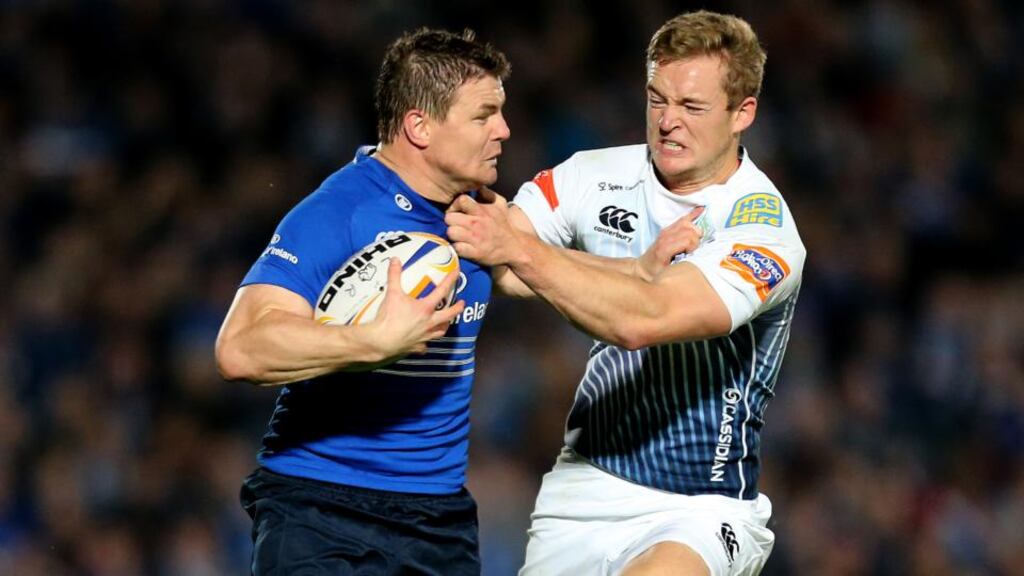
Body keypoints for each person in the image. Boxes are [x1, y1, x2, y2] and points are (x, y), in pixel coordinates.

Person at [446, 10, 806, 576]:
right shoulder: (592, 175)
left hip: (700, 504)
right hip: (582, 486)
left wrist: (525, 252)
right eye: (657, 99)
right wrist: (632, 269)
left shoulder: (761, 227)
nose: (668, 122)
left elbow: (647, 318)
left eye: (692, 107)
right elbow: (507, 268)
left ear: (744, 113)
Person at [214, 28, 511, 575]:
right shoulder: (339, 212)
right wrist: (371, 340)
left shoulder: (483, 216)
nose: (503, 130)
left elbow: (555, 281)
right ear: (419, 126)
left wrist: (639, 269)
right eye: (484, 115)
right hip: (320, 508)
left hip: (438, 520)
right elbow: (239, 349)